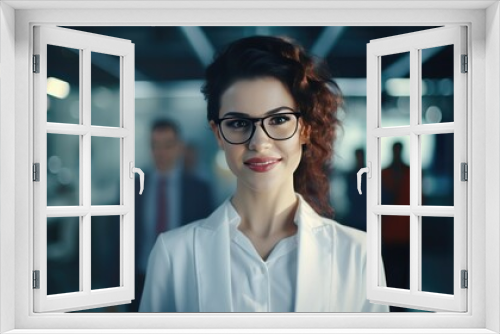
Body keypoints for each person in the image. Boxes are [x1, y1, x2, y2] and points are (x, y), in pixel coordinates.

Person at [139, 36, 389, 312]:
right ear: (218, 134)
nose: (258, 142)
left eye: (279, 119)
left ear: (305, 130)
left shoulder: (359, 254)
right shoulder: (173, 255)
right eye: (237, 123)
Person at [131, 119, 215, 312]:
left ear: (179, 147)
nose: (161, 152)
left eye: (167, 145)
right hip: (140, 277)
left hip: (185, 276)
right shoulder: (134, 187)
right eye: (155, 146)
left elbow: (208, 239)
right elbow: (118, 241)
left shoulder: (199, 189)